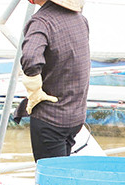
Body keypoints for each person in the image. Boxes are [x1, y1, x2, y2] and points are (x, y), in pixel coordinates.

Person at [19, 0, 90, 161]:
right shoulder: (80, 19)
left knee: (51, 181)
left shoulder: (42, 22)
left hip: (50, 118)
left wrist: (34, 91)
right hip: (75, 116)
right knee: (62, 174)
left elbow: (30, 57)